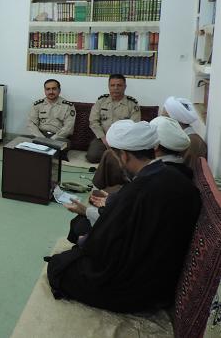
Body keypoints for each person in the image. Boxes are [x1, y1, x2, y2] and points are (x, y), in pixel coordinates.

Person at [47, 120, 200, 313]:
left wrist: (85, 242)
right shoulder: (179, 178)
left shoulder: (137, 191)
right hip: (163, 280)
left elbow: (102, 244)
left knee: (58, 266)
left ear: (125, 155)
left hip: (136, 289)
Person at [66, 115, 191, 244]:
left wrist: (86, 221)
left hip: (138, 247)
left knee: (78, 225)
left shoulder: (145, 184)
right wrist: (113, 201)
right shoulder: (174, 173)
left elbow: (120, 224)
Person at [89, 74, 141, 191]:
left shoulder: (132, 104)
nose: (115, 88)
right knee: (92, 156)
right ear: (108, 86)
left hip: (123, 140)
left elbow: (134, 126)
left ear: (125, 87)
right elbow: (93, 121)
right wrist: (103, 138)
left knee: (125, 158)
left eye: (119, 85)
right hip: (103, 138)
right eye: (112, 85)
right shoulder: (101, 101)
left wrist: (120, 142)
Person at [161, 96, 207, 171]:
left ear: (173, 119)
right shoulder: (183, 137)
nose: (162, 120)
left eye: (164, 116)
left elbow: (184, 172)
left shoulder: (191, 142)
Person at [26, 78, 75, 145]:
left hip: (59, 137)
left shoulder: (68, 106)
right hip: (40, 135)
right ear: (45, 91)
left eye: (54, 89)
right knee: (21, 142)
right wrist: (41, 138)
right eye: (48, 89)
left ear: (59, 90)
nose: (51, 92)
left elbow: (68, 127)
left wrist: (52, 139)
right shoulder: (38, 105)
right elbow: (31, 123)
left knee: (63, 145)